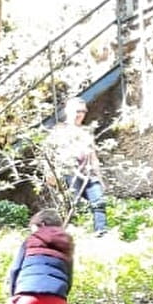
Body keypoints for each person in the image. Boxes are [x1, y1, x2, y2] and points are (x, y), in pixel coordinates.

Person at [47, 97, 107, 234]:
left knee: (99, 202)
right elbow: (51, 153)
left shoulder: (86, 131)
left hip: (89, 172)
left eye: (83, 111)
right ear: (68, 111)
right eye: (77, 110)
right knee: (75, 205)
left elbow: (93, 155)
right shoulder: (59, 130)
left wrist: (100, 178)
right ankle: (74, 234)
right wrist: (50, 173)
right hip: (71, 173)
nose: (81, 114)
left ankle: (101, 233)